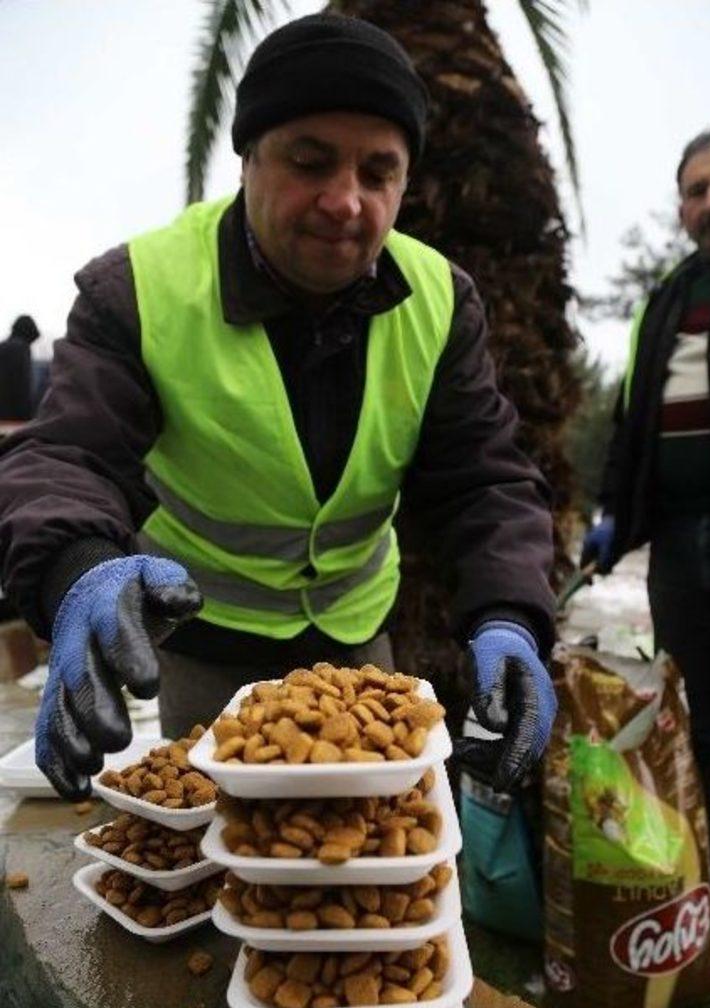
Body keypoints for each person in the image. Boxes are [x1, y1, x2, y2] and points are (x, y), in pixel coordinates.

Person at [0, 13, 556, 801]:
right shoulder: (138, 288)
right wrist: (80, 571)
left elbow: (487, 479)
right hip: (199, 644)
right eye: (310, 161)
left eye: (378, 173)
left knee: (372, 855)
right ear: (247, 157)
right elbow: (68, 454)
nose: (345, 201)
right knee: (217, 856)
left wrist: (511, 618)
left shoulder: (441, 299)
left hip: (359, 641)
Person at [582, 122, 710, 904]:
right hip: (675, 538)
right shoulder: (664, 302)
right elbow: (630, 423)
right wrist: (613, 513)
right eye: (697, 191)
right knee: (696, 708)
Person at [0, 314, 39, 422]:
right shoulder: (21, 348)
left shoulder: (3, 346)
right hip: (14, 417)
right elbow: (22, 385)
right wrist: (27, 418)